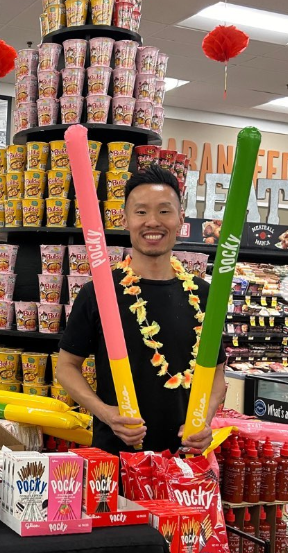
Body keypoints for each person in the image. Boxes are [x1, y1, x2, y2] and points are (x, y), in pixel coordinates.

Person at [56, 166, 226, 455]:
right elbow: (66, 367)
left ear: (180, 219)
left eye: (164, 211)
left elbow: (217, 376)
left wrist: (204, 421)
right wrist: (106, 413)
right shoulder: (98, 291)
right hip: (116, 459)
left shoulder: (205, 294)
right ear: (125, 220)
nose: (152, 222)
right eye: (141, 212)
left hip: (185, 463)